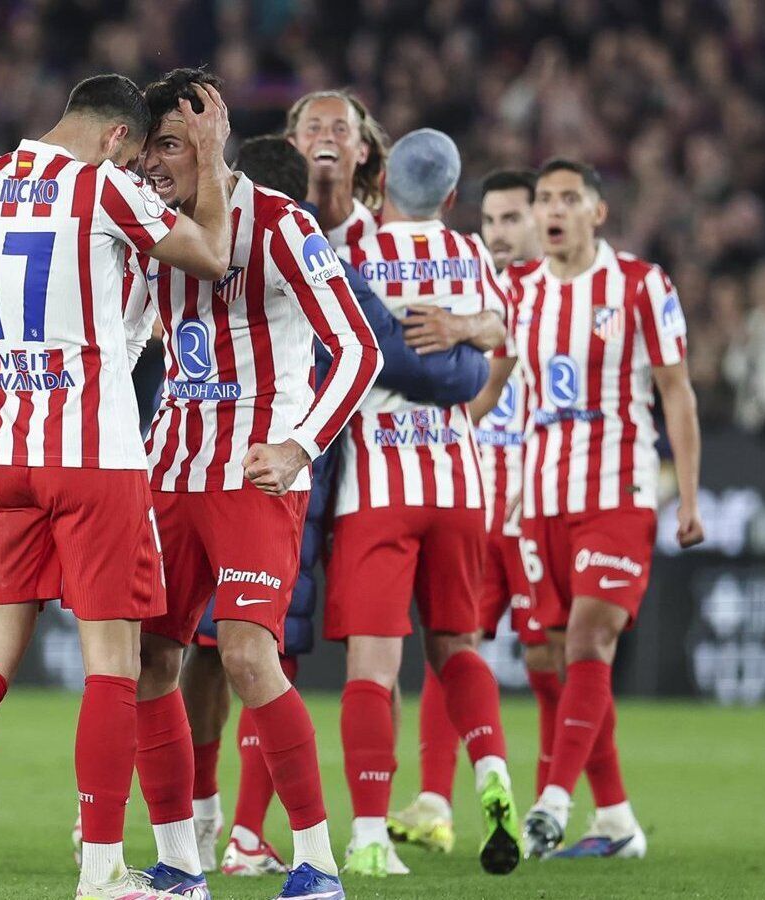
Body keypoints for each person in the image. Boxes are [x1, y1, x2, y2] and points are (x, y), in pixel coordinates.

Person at [0, 74, 235, 900]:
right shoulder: (104, 188)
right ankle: (101, 870)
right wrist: (216, 157)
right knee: (114, 668)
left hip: (2, 443)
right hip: (93, 451)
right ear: (119, 137)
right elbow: (213, 255)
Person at [169, 136, 489, 879]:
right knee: (210, 653)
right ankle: (218, 824)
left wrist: (471, 338)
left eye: (340, 132)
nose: (326, 144)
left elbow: (391, 353)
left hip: (311, 476)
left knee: (250, 652)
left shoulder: (329, 243)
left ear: (364, 164)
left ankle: (246, 832)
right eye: (314, 129)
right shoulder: (251, 237)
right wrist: (476, 343)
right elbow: (416, 360)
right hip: (256, 468)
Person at [123, 68, 381, 900]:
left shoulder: (282, 225)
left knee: (245, 653)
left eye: (171, 142)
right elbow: (123, 338)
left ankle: (315, 860)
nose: (154, 161)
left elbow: (358, 348)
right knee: (147, 661)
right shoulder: (147, 226)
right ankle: (179, 864)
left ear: (210, 136)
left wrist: (301, 445)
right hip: (168, 469)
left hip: (251, 474)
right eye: (147, 143)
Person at [477, 158, 705, 859]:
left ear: (596, 213)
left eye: (568, 199)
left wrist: (688, 497)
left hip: (617, 491)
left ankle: (551, 802)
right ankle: (616, 821)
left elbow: (677, 391)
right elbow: (492, 386)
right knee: (549, 660)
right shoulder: (520, 290)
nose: (553, 209)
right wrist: (444, 434)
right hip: (540, 497)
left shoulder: (640, 285)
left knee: (589, 641)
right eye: (545, 198)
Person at [322, 129, 520, 878]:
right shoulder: (469, 253)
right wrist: (465, 327)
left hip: (378, 483)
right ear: (450, 196)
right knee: (457, 648)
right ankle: (494, 777)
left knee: (374, 666)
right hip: (458, 482)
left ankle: (370, 834)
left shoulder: (362, 253)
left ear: (382, 188)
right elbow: (504, 331)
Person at [387, 169, 544, 854]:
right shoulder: (468, 279)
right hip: (474, 484)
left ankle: (573, 805)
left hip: (531, 492)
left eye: (516, 219)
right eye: (494, 220)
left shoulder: (560, 295)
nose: (502, 233)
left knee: (555, 655)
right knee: (453, 642)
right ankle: (436, 798)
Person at [285, 90, 389, 249]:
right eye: (313, 128)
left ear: (362, 151)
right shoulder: (276, 229)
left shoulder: (382, 235)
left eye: (340, 129)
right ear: (292, 147)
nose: (326, 136)